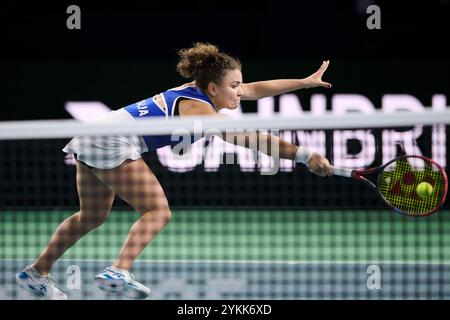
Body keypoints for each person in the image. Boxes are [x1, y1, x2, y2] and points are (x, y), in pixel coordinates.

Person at [15, 42, 334, 300]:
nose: (240, 91)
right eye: (234, 86)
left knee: (92, 216)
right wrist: (305, 155)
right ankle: (119, 269)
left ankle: (36, 272)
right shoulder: (199, 110)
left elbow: (255, 88)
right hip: (113, 140)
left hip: (96, 132)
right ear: (212, 87)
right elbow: (250, 138)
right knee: (158, 210)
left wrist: (303, 83)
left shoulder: (199, 90)